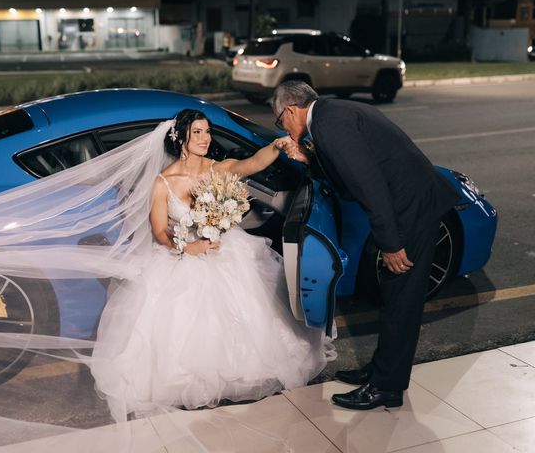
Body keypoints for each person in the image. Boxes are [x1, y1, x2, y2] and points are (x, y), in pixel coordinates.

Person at [90, 109, 336, 421]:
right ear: (181, 137)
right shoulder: (163, 183)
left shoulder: (217, 170)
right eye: (197, 133)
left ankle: (243, 373)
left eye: (208, 132)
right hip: (183, 256)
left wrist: (276, 146)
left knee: (251, 311)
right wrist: (189, 246)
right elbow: (160, 231)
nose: (206, 139)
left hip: (226, 251)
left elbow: (251, 164)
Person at [271, 81, 460, 410]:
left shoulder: (329, 125)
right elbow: (347, 180)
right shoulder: (333, 112)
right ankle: (381, 370)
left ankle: (386, 388)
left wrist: (391, 243)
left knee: (402, 301)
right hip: (409, 204)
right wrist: (308, 158)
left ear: (289, 110)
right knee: (393, 296)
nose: (283, 127)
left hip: (411, 210)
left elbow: (369, 185)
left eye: (280, 121)